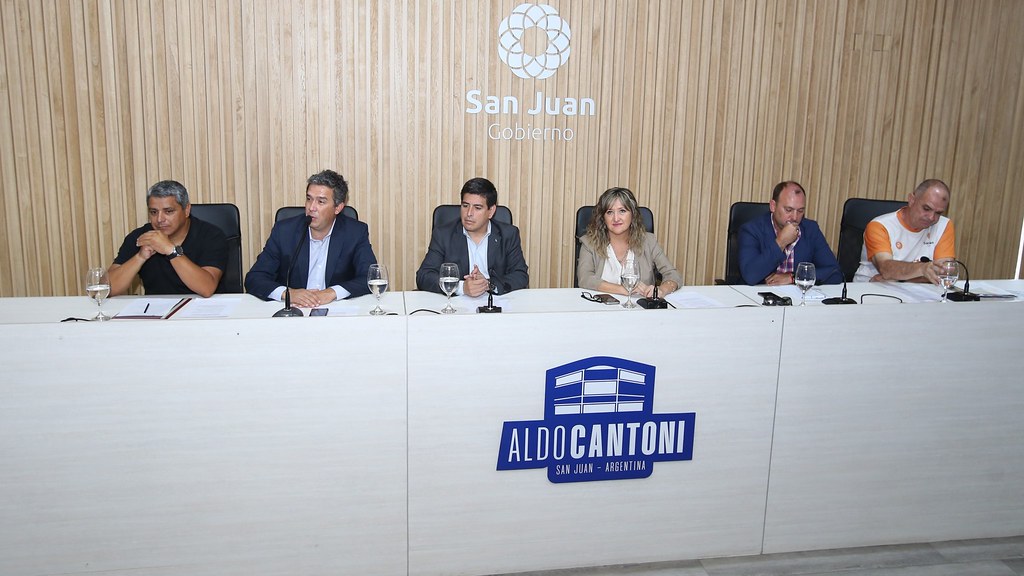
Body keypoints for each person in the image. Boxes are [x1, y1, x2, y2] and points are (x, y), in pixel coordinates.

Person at [245, 169, 377, 306]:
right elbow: (255, 278)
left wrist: (332, 292)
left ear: (338, 208)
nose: (311, 208)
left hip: (335, 311)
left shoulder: (355, 232)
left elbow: (370, 279)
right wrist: (288, 294)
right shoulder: (284, 231)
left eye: (321, 202)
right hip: (294, 312)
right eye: (309, 199)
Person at [108, 180, 227, 297]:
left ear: (186, 210)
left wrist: (171, 250)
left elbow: (206, 288)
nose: (160, 219)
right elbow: (107, 288)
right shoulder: (141, 237)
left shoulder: (211, 235)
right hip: (156, 311)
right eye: (154, 212)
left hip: (203, 311)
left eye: (168, 211)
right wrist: (140, 257)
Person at [415, 177, 529, 296]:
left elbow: (520, 275)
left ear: (491, 211)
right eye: (465, 206)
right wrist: (461, 287)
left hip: (495, 305)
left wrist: (488, 285)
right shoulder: (444, 234)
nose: (469, 213)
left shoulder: (508, 234)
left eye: (477, 208)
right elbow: (424, 276)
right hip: (457, 307)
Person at [577, 187, 682, 297]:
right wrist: (622, 289)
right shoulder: (590, 243)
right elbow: (585, 279)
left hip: (639, 309)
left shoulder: (648, 241)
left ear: (633, 214)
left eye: (622, 211)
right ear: (603, 218)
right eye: (610, 212)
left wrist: (661, 290)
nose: (616, 218)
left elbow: (673, 274)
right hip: (600, 308)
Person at [738, 181, 842, 286]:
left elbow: (835, 273)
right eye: (789, 210)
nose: (795, 218)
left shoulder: (811, 229)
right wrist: (780, 242)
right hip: (759, 296)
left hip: (797, 297)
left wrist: (794, 277)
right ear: (773, 206)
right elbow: (750, 275)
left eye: (800, 211)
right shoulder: (751, 230)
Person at [853, 179, 955, 283]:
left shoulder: (944, 225)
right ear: (911, 200)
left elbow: (942, 274)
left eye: (938, 213)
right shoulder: (880, 226)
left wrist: (897, 279)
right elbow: (886, 268)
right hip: (870, 290)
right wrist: (922, 269)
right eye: (926, 209)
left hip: (917, 293)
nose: (931, 217)